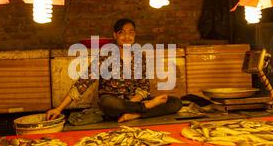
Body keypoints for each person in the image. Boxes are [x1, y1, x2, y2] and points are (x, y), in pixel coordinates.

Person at [46, 19, 182, 123]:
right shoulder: (106, 56)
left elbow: (143, 87)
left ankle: (135, 114)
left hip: (132, 103)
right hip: (113, 105)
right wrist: (59, 108)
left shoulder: (140, 57)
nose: (126, 36)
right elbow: (83, 82)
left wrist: (134, 104)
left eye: (130, 33)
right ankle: (145, 109)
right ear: (115, 35)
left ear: (135, 35)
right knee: (107, 103)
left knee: (175, 103)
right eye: (121, 32)